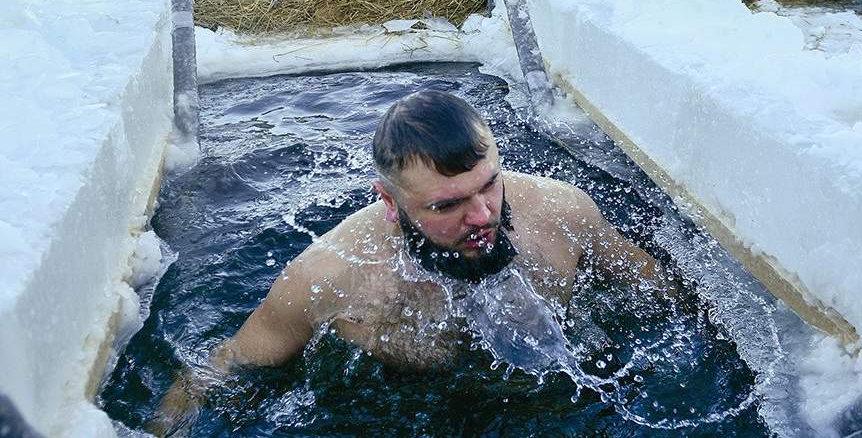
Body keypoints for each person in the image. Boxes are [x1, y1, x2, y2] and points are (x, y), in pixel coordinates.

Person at [152, 90, 665, 433]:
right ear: (391, 203)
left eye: (489, 184)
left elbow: (662, 294)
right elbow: (224, 370)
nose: (483, 215)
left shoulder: (560, 211)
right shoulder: (329, 276)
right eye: (446, 206)